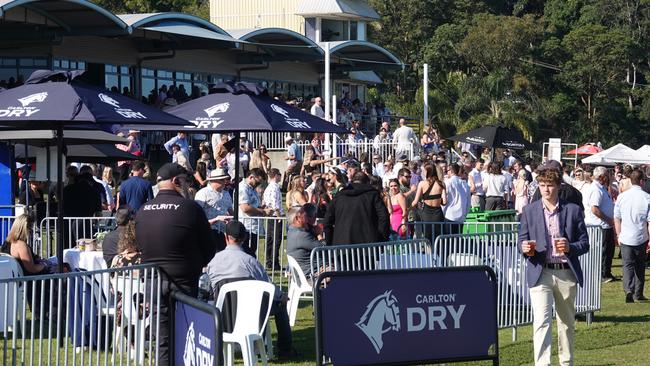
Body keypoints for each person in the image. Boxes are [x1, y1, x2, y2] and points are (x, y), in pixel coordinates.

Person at [135, 163, 216, 366]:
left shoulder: (143, 210)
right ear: (175, 181)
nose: (188, 185)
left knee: (163, 336)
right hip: (184, 280)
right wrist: (196, 264)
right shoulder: (190, 208)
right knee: (187, 332)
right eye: (186, 180)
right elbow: (209, 246)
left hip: (153, 280)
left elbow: (141, 244)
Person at [518, 168, 589, 366]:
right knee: (541, 321)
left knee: (566, 323)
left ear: (558, 186)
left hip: (566, 272)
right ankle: (542, 364)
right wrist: (525, 248)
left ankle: (566, 362)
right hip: (540, 271)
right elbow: (521, 240)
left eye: (550, 185)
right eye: (542, 185)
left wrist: (570, 246)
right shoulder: (529, 211)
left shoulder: (573, 210)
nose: (546, 189)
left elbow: (585, 243)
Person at [206, 220, 295, 359]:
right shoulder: (250, 262)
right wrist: (282, 296)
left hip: (224, 315)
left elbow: (209, 287)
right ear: (244, 238)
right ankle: (286, 350)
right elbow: (268, 285)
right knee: (280, 304)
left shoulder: (213, 262)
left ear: (226, 237)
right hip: (252, 315)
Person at [323, 172, 390, 245]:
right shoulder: (372, 195)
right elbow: (384, 218)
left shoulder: (339, 196)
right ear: (368, 182)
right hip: (368, 246)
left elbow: (327, 221)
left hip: (342, 246)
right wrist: (382, 239)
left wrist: (330, 241)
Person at [614, 168, 650, 303]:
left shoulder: (622, 197)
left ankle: (628, 289)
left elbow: (616, 218)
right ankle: (638, 293)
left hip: (625, 235)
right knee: (640, 266)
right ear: (641, 181)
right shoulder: (647, 197)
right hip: (641, 236)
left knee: (627, 265)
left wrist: (618, 234)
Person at [584, 167, 617, 283]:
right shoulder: (596, 190)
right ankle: (603, 274)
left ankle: (607, 272)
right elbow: (594, 209)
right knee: (604, 251)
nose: (608, 177)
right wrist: (608, 220)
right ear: (602, 177)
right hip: (600, 225)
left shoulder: (601, 188)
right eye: (607, 175)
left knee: (609, 250)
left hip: (604, 225)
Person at [194, 168, 234, 253]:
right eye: (222, 180)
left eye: (225, 180)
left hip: (223, 233)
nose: (225, 182)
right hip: (207, 232)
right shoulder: (202, 193)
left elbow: (231, 211)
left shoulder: (226, 193)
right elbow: (196, 215)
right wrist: (216, 219)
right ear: (214, 181)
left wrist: (232, 220)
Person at [238, 168, 275, 257]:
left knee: (251, 253)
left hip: (253, 227)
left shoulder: (252, 188)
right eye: (258, 182)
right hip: (246, 227)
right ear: (251, 177)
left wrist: (261, 208)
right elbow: (245, 208)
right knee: (247, 255)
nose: (259, 184)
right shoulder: (243, 188)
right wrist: (263, 212)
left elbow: (252, 205)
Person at [286, 204, 324, 277]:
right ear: (297, 219)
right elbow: (323, 248)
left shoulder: (292, 231)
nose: (308, 218)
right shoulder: (301, 235)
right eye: (305, 215)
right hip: (312, 273)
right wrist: (319, 234)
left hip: (310, 270)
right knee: (339, 272)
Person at [411, 165, 446, 242]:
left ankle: (430, 253)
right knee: (439, 237)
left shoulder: (422, 183)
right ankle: (439, 253)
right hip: (438, 214)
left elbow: (415, 202)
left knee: (428, 238)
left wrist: (411, 206)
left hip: (426, 214)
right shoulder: (441, 184)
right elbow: (444, 202)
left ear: (427, 172)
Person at [262, 168, 284, 270]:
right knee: (276, 239)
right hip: (275, 216)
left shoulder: (268, 187)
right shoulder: (274, 187)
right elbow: (275, 203)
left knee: (270, 239)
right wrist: (279, 215)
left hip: (271, 215)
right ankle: (274, 263)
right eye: (279, 174)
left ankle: (269, 261)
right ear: (276, 175)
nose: (280, 176)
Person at [444, 164, 470, 234]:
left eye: (447, 171)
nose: (447, 172)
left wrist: (443, 212)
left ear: (451, 171)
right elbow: (468, 203)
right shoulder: (465, 184)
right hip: (461, 216)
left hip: (449, 215)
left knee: (448, 241)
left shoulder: (448, 182)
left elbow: (444, 200)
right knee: (457, 240)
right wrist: (465, 214)